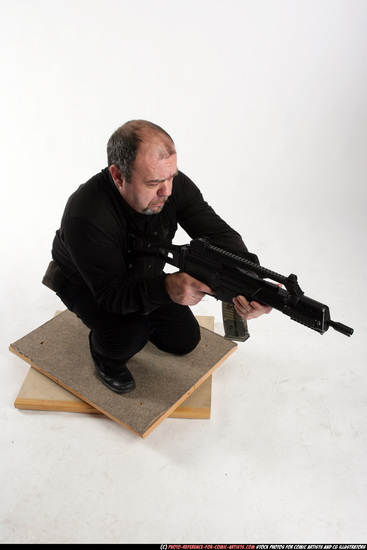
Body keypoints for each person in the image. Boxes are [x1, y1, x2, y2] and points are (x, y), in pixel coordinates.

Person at [46, 120, 271, 394]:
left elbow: (218, 233)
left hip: (141, 275)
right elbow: (112, 295)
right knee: (130, 334)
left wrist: (251, 282)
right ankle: (104, 352)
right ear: (118, 176)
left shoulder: (170, 185)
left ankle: (133, 323)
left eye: (171, 177)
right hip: (89, 283)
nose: (167, 191)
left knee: (184, 341)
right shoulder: (87, 215)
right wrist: (167, 288)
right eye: (154, 182)